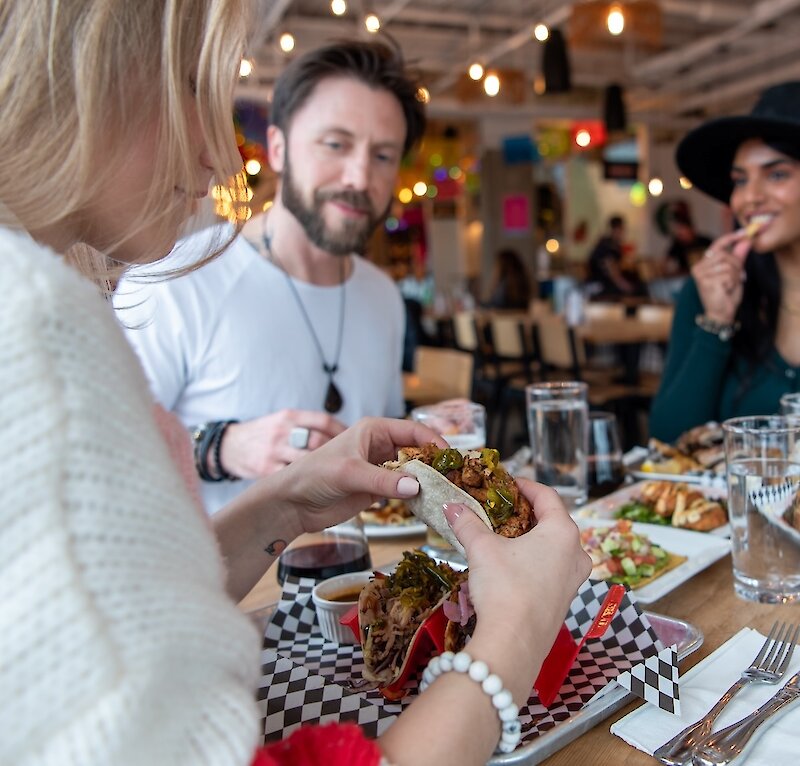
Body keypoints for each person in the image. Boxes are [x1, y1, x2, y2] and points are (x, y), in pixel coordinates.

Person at [0, 3, 591, 765]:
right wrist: (518, 629)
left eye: (384, 154)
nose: (219, 153)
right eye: (189, 86)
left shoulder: (380, 296)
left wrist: (283, 502)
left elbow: (130, 602)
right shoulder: (52, 332)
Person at [114, 40, 419, 514]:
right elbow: (104, 455)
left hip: (363, 581)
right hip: (218, 585)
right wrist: (223, 447)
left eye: (383, 156)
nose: (359, 177)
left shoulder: (382, 297)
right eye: (335, 144)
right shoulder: (172, 279)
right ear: (277, 148)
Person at [650, 81, 800, 441]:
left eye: (776, 174)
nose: (750, 198)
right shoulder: (710, 291)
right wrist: (716, 322)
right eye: (740, 180)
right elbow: (669, 438)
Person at [586, 215, 640, 299]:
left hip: (605, 284)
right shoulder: (607, 246)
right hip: (600, 286)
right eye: (622, 229)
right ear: (616, 229)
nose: (623, 232)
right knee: (637, 290)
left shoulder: (613, 245)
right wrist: (627, 287)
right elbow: (613, 272)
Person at [662, 202, 712, 277]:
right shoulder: (677, 245)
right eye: (679, 233)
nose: (681, 235)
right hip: (686, 278)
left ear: (691, 229)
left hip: (708, 274)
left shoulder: (704, 241)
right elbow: (666, 261)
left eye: (683, 231)